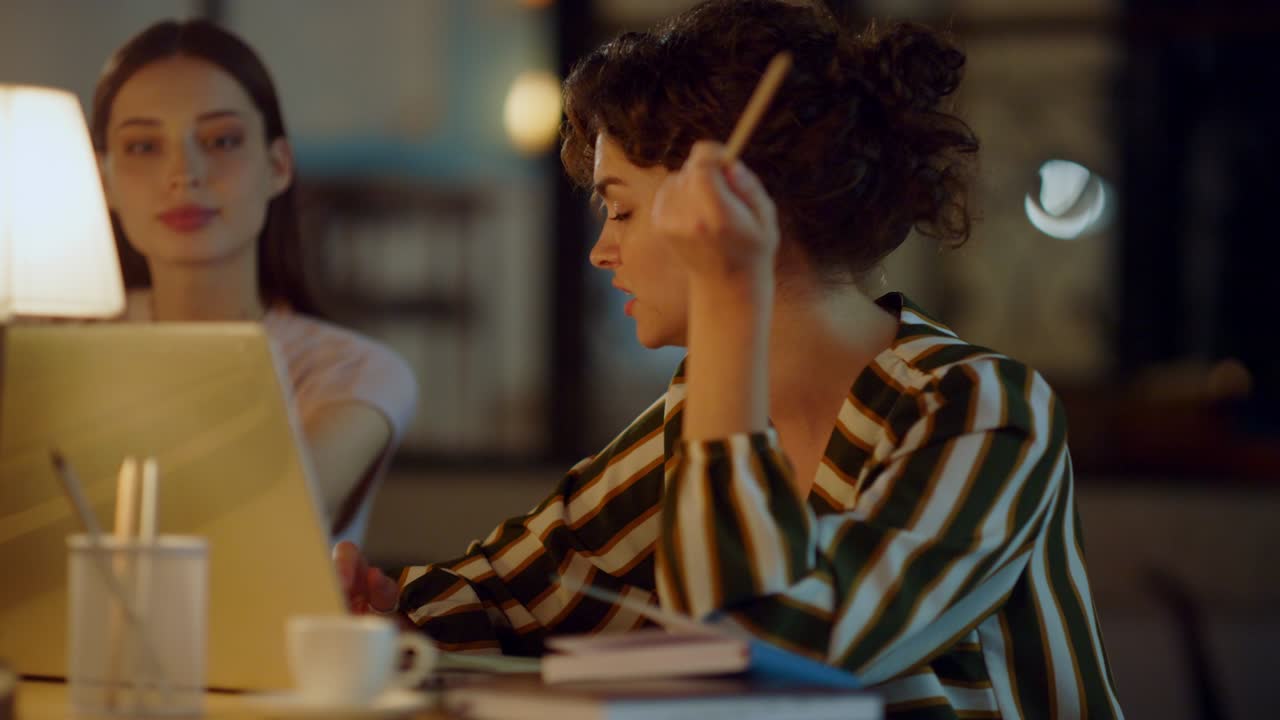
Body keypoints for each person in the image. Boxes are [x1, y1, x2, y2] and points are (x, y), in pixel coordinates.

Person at [338, 1, 1124, 716]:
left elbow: (776, 649)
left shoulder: (977, 406)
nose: (602, 252)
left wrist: (726, 299)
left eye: (621, 209)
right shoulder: (695, 414)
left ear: (737, 202)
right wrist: (386, 610)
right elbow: (516, 591)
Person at [90, 19, 417, 542]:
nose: (185, 172)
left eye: (221, 139)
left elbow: (260, 530)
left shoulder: (354, 372)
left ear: (278, 165)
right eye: (144, 147)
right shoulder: (61, 347)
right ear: (103, 180)